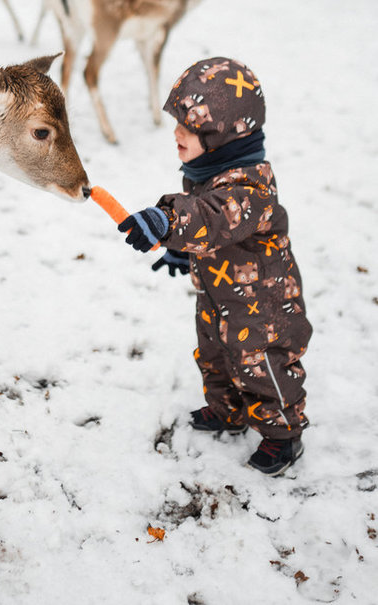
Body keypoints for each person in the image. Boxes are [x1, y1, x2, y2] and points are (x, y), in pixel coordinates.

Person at [118, 57, 312, 476]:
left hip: (262, 310)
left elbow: (213, 216)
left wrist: (167, 222)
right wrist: (182, 249)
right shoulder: (207, 172)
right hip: (219, 297)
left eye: (188, 128)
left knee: (262, 368)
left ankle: (283, 434)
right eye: (177, 123)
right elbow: (209, 228)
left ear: (221, 136)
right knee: (215, 355)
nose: (176, 133)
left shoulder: (251, 188)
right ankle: (227, 410)